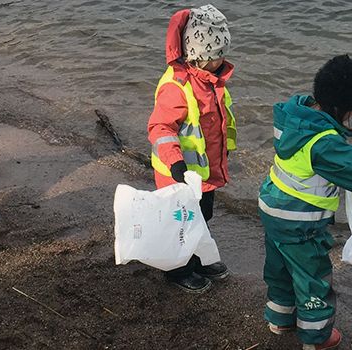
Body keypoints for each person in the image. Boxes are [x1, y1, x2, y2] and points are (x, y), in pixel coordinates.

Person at [258, 55, 352, 350]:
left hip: (272, 206)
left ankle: (280, 318)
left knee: (279, 268)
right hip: (299, 221)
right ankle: (317, 337)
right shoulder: (324, 143)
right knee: (312, 275)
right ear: (341, 110)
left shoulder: (294, 113)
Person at [147, 4, 236, 293]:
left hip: (204, 174)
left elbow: (216, 124)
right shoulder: (177, 87)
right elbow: (160, 129)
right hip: (179, 175)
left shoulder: (211, 81)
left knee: (201, 216)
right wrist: (175, 164)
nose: (221, 59)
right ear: (198, 55)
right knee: (180, 223)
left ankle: (198, 258)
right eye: (216, 54)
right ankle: (177, 270)